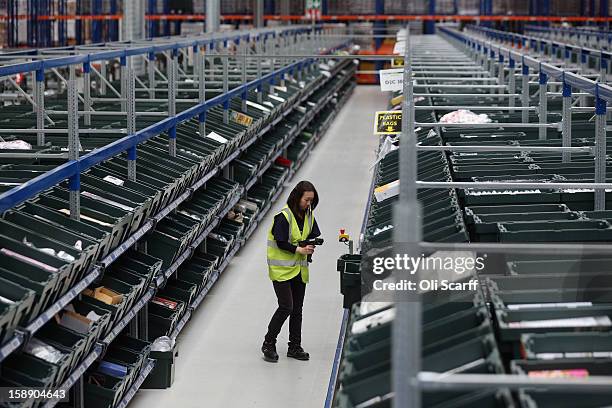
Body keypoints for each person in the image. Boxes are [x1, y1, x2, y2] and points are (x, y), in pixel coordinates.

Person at [262, 181, 321, 363]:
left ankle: (294, 346)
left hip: (299, 269)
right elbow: (280, 242)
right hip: (281, 270)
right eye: (306, 200)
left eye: (312, 200)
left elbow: (312, 233)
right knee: (286, 306)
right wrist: (299, 250)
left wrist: (310, 244)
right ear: (297, 197)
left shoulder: (309, 215)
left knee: (297, 309)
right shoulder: (283, 217)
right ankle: (268, 344)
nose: (309, 204)